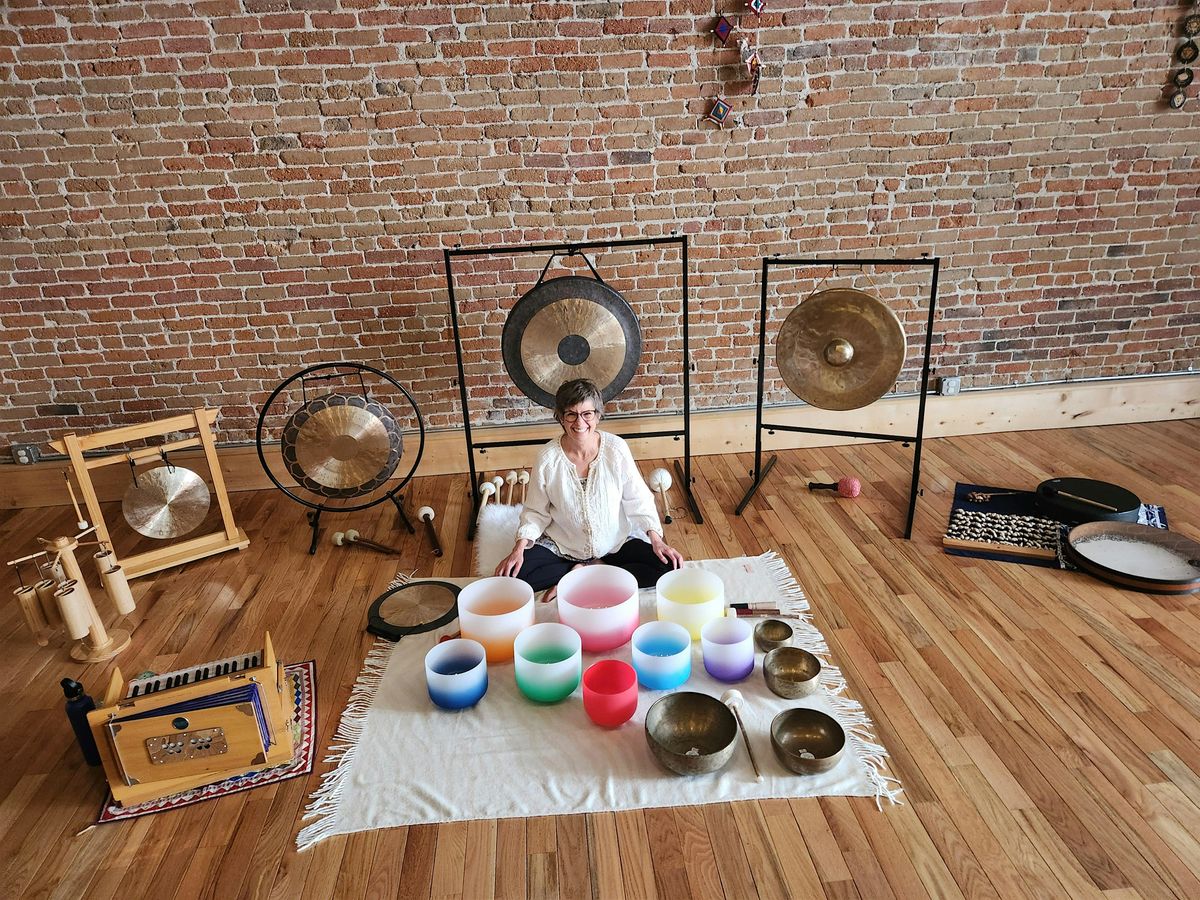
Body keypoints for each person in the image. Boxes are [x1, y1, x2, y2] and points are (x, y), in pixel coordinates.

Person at [495, 379, 684, 597]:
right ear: (561, 417)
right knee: (513, 578)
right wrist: (518, 549)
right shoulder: (547, 458)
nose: (580, 422)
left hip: (613, 545)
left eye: (587, 414)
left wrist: (657, 541)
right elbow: (535, 511)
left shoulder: (616, 449)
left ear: (597, 415)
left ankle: (586, 573)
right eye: (571, 414)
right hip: (564, 548)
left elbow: (638, 499)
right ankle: (581, 570)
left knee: (668, 566)